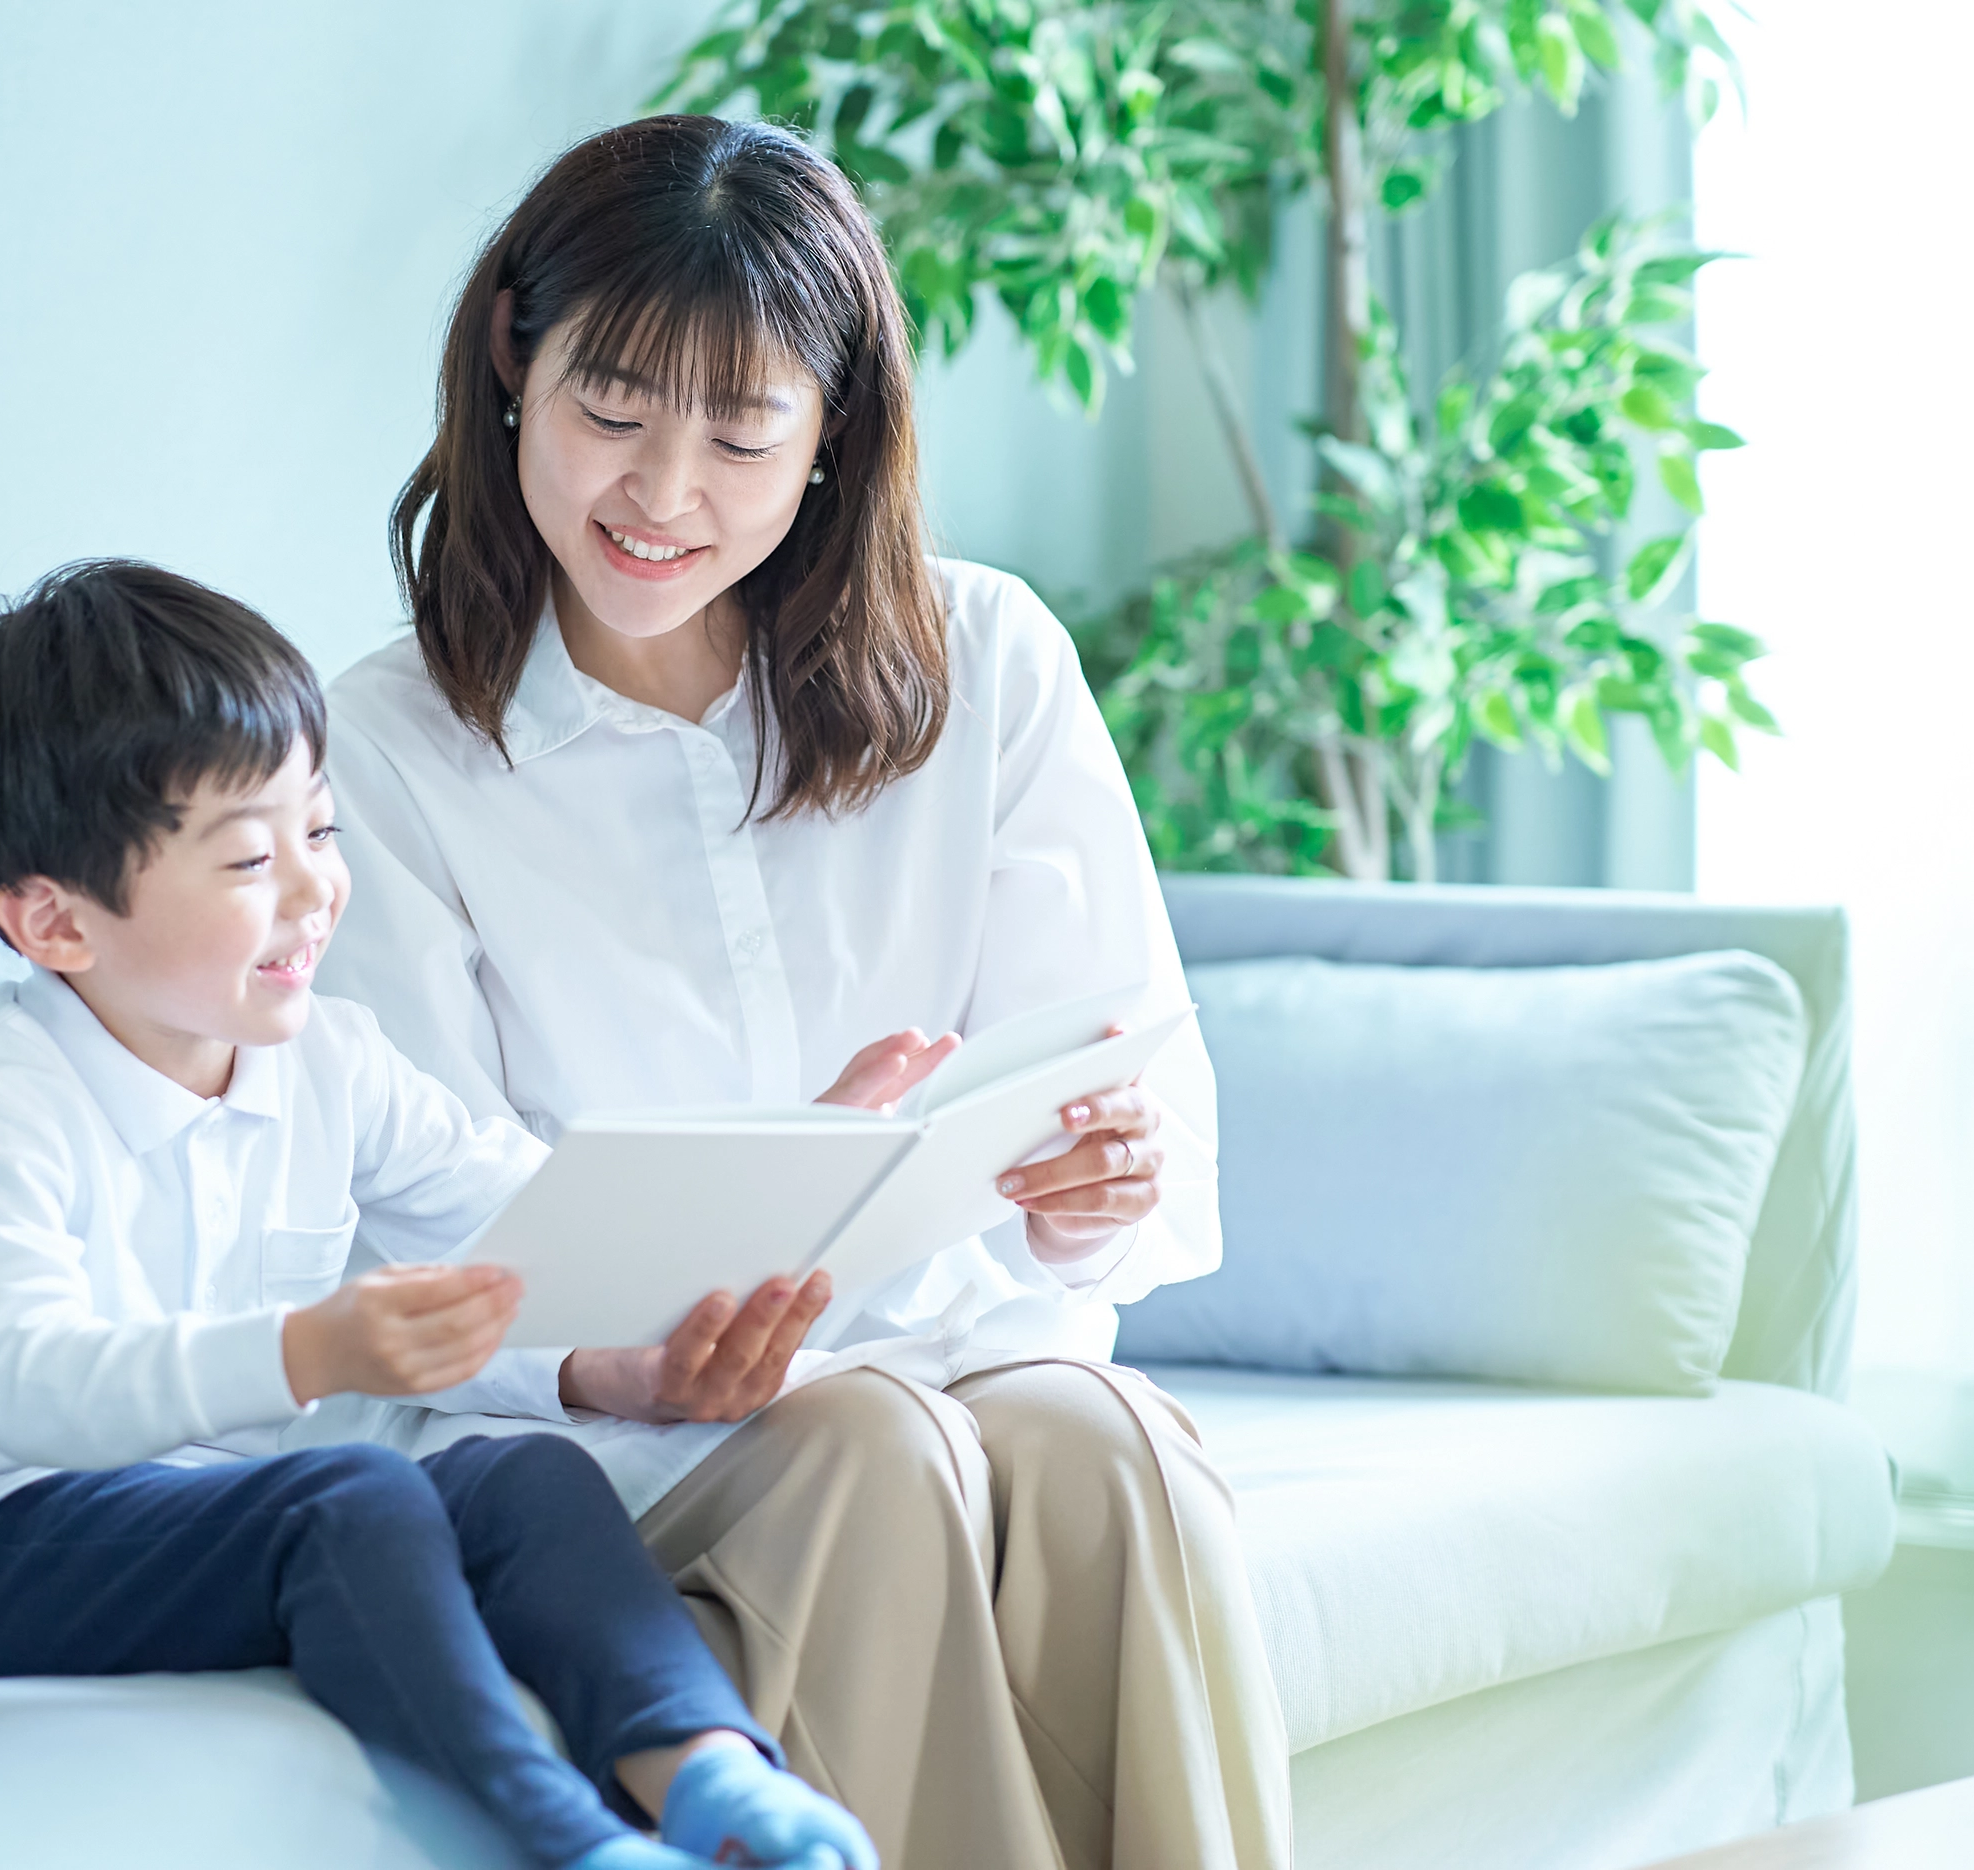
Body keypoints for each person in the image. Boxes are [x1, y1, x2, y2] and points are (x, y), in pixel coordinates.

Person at [316, 116, 1292, 1870]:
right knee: (867, 1435)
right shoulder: (394, 747)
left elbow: (1126, 1100)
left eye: (740, 429)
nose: (660, 492)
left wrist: (1101, 1187)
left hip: (966, 1358)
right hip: (625, 1449)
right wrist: (611, 1366)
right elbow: (400, 1239)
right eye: (612, 407)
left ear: (832, 429)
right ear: (512, 359)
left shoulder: (984, 662)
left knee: (1108, 1440)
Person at [0, 560, 877, 1870]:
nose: (318, 891)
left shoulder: (329, 1054)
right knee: (354, 1493)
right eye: (252, 859)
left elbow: (534, 1218)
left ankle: (712, 1775)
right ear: (55, 921)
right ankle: (566, 1836)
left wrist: (787, 1172)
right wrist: (311, 1352)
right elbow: (28, 1385)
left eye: (319, 832)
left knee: (522, 1477)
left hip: (232, 1507)